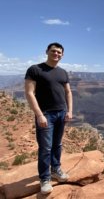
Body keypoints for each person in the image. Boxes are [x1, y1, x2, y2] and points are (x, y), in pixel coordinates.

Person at [24, 42, 73, 194]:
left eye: (59, 52)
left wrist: (69, 111)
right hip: (46, 115)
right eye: (53, 51)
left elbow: (68, 92)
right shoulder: (35, 69)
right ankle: (44, 179)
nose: (56, 54)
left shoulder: (63, 72)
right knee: (45, 148)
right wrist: (39, 115)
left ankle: (55, 169)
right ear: (47, 51)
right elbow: (29, 93)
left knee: (57, 145)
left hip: (61, 113)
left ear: (62, 55)